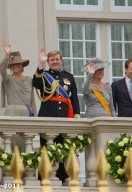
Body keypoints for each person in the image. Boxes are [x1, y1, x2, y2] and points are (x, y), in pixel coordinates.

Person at [32, 48, 80, 182]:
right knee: (46, 149)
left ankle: (63, 178)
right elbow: (35, 84)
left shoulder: (68, 76)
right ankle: (45, 179)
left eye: (57, 59)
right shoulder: (44, 75)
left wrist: (76, 115)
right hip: (47, 115)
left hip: (65, 116)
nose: (55, 62)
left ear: (61, 61)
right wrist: (40, 65)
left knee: (64, 148)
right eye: (52, 60)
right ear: (48, 61)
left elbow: (74, 97)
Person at [0, 40, 37, 153]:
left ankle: (25, 170)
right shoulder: (8, 79)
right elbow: (2, 71)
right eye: (13, 64)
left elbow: (32, 100)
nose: (16, 66)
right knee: (12, 143)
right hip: (12, 111)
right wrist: (6, 55)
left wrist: (34, 117)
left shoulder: (29, 79)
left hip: (26, 111)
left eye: (18, 64)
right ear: (10, 67)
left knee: (25, 144)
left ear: (22, 66)